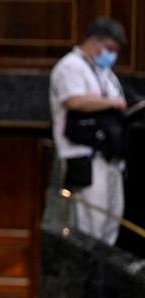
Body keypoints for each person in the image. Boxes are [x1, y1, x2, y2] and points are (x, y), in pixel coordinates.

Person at [50, 17, 128, 245]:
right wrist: (112, 103)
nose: (112, 55)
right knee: (92, 225)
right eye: (111, 48)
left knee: (110, 221)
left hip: (109, 156)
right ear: (96, 42)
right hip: (84, 156)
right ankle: (91, 278)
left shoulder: (103, 71)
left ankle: (104, 276)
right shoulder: (70, 66)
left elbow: (119, 99)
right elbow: (73, 101)